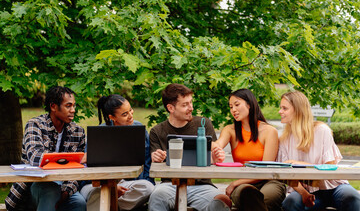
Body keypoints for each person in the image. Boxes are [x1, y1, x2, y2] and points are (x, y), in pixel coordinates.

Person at [148, 83, 231, 211]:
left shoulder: (203, 124)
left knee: (220, 201)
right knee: (157, 197)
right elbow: (155, 164)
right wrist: (156, 157)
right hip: (169, 185)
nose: (191, 108)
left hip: (202, 186)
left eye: (191, 102)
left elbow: (214, 155)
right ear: (171, 108)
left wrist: (216, 157)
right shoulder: (157, 131)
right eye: (185, 105)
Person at [5, 86, 86, 211]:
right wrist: (70, 159)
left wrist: (66, 191)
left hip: (64, 186)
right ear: (53, 106)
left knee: (79, 202)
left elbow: (79, 170)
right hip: (33, 186)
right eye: (68, 106)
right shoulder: (35, 125)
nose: (73, 110)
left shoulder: (78, 132)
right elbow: (35, 157)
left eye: (74, 106)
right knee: (50, 191)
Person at [278, 91, 360, 211]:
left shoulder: (322, 130)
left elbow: (330, 167)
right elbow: (287, 176)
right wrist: (303, 193)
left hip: (334, 187)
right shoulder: (284, 139)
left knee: (352, 197)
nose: (280, 111)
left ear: (298, 110)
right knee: (291, 202)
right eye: (280, 108)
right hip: (305, 190)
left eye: (284, 108)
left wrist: (300, 164)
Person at [214, 88, 286, 211]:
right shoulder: (229, 130)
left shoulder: (269, 131)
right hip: (244, 185)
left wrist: (234, 183)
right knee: (248, 194)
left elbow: (266, 169)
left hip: (269, 181)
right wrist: (213, 147)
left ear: (249, 104)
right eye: (231, 107)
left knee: (262, 198)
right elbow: (218, 144)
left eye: (237, 105)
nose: (233, 110)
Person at [80, 94, 154, 211]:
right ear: (112, 117)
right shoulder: (99, 133)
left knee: (148, 187)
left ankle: (110, 204)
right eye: (125, 114)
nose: (130, 116)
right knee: (97, 194)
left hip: (128, 184)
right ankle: (109, 201)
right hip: (98, 185)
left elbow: (146, 161)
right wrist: (112, 187)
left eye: (130, 110)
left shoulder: (139, 129)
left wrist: (150, 183)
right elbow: (87, 171)